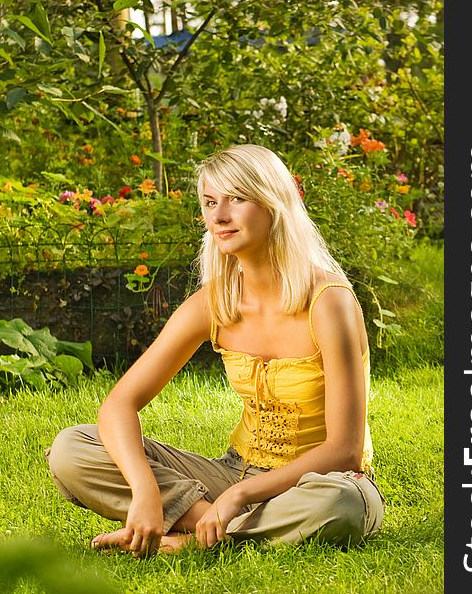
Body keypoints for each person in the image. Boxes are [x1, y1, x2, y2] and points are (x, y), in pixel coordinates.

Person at [45, 143, 384, 557]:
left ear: (274, 204)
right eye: (209, 202)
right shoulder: (214, 301)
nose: (218, 216)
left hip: (323, 480)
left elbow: (344, 450)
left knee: (341, 505)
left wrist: (237, 498)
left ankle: (190, 541)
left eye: (237, 198)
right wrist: (146, 491)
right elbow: (119, 404)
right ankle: (223, 530)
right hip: (233, 471)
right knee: (72, 449)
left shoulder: (329, 300)